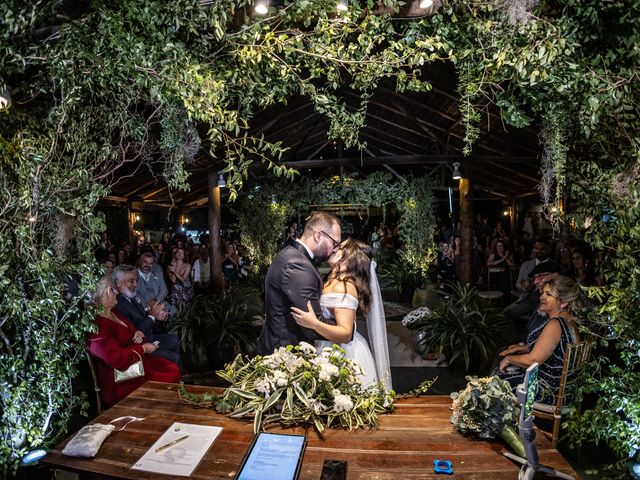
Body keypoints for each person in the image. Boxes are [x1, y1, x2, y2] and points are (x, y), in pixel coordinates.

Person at [291, 239, 392, 390]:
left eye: (340, 248)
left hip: (344, 354)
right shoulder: (334, 278)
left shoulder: (344, 286)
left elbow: (346, 333)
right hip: (328, 346)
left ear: (351, 257)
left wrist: (314, 323)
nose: (334, 249)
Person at [87, 276, 181, 407]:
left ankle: (165, 411)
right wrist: (143, 349)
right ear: (101, 294)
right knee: (170, 372)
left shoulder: (114, 313)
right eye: (112, 290)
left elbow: (132, 332)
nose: (117, 293)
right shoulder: (97, 326)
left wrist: (137, 333)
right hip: (120, 379)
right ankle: (158, 414)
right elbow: (115, 359)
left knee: (171, 366)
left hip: (136, 365)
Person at [258, 211, 341, 355]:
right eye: (334, 243)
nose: (334, 249)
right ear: (318, 236)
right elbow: (311, 327)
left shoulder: (291, 254)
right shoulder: (298, 265)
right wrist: (345, 330)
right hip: (286, 351)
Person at [493, 275, 583, 405]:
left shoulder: (555, 324)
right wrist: (522, 348)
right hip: (561, 390)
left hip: (547, 392)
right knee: (504, 360)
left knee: (495, 380)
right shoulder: (567, 319)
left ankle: (503, 422)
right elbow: (551, 349)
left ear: (563, 302)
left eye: (548, 294)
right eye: (542, 293)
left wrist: (509, 358)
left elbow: (533, 361)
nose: (541, 297)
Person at [113, 265, 181, 365]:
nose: (136, 284)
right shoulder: (117, 303)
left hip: (150, 337)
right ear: (118, 283)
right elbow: (134, 333)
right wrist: (151, 316)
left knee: (174, 340)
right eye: (131, 281)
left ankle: (175, 377)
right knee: (175, 358)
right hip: (140, 347)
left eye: (136, 280)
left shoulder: (131, 297)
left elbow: (144, 317)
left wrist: (156, 316)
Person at [168, 246, 193, 310]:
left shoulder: (187, 265)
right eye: (178, 252)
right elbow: (173, 280)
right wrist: (174, 266)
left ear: (184, 256)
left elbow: (183, 280)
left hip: (185, 289)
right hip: (175, 290)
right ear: (175, 254)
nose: (179, 254)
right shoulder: (170, 266)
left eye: (182, 253)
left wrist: (174, 271)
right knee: (175, 287)